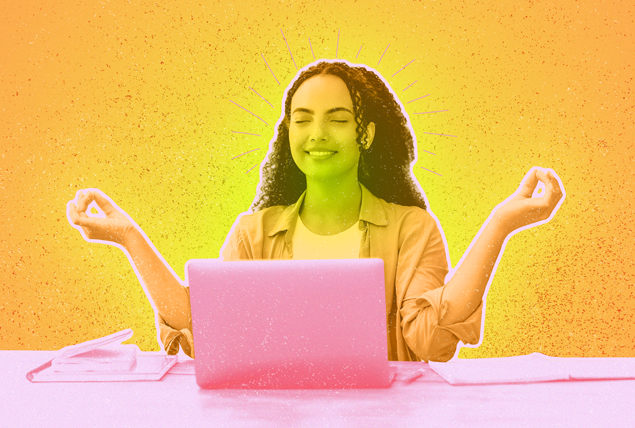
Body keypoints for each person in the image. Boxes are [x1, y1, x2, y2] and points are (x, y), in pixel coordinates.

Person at [67, 60, 564, 362]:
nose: (316, 135)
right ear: (288, 135)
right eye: (301, 121)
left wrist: (500, 223)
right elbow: (204, 330)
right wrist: (129, 236)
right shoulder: (253, 233)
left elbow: (430, 341)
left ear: (364, 134)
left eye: (337, 119)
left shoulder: (412, 229)